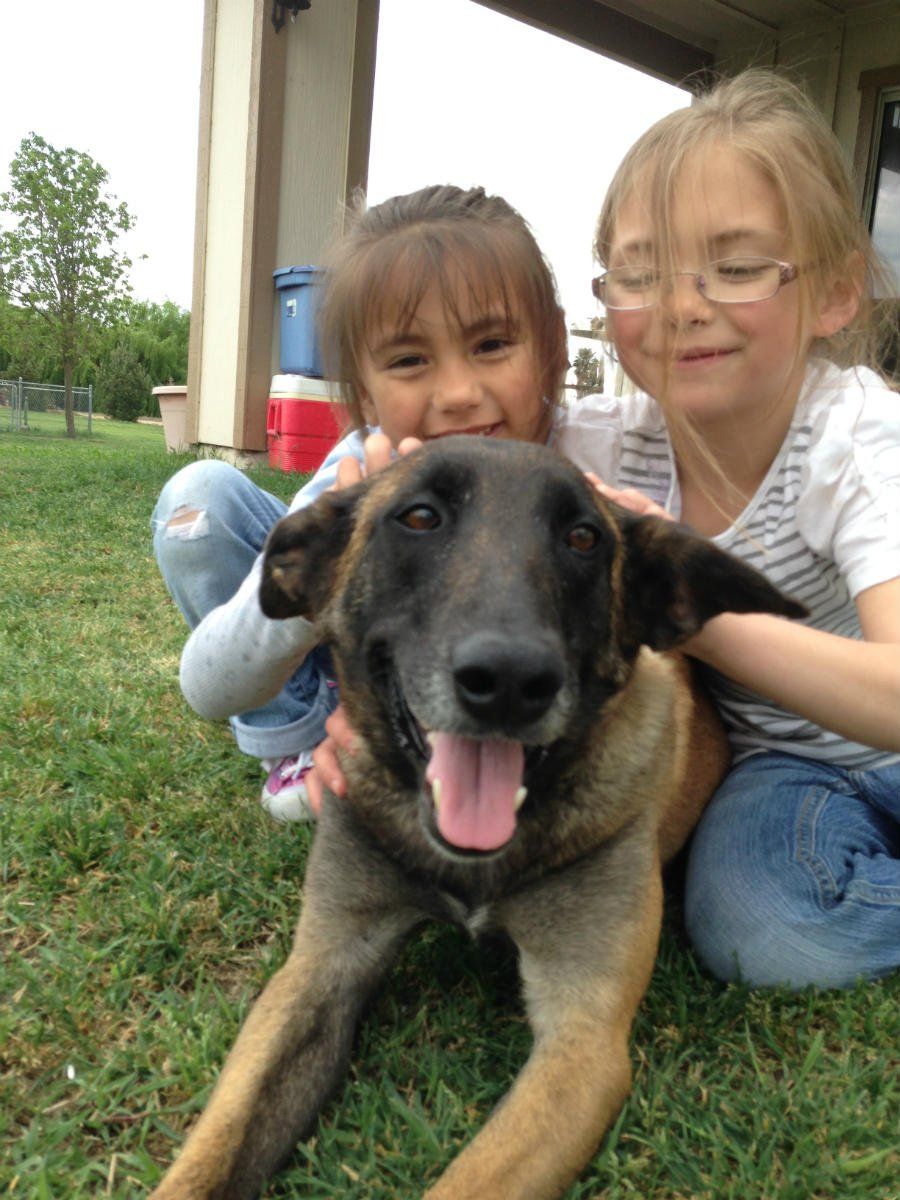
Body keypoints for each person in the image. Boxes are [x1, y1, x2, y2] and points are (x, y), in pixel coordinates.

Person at [314, 69, 900, 992]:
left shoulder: (857, 442)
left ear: (832, 294)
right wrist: (360, 712)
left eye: (737, 267)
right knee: (761, 933)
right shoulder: (599, 446)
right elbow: (438, 499)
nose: (682, 305)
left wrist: (693, 608)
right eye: (641, 273)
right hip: (781, 769)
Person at [151, 183, 567, 822]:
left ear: (553, 350)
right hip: (333, 650)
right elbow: (208, 687)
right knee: (196, 502)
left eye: (490, 345)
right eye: (408, 359)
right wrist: (326, 572)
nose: (457, 392)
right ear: (365, 396)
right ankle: (294, 738)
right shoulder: (364, 474)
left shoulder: (587, 464)